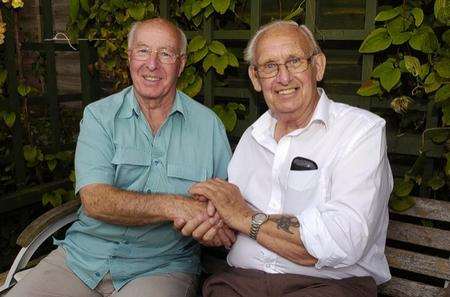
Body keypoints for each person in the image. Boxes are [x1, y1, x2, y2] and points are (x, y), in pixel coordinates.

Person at [6, 18, 234, 297]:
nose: (152, 64)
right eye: (142, 51)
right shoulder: (99, 117)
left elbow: (224, 206)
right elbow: (95, 200)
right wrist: (175, 206)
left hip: (160, 267)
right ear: (129, 57)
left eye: (165, 53)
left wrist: (211, 224)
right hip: (81, 260)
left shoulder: (208, 127)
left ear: (181, 63)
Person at [176, 20, 393, 297]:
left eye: (294, 61)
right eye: (269, 66)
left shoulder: (361, 132)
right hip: (241, 283)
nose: (283, 77)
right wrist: (213, 222)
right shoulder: (252, 137)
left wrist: (244, 217)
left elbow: (343, 240)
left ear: (318, 66)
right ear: (255, 78)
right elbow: (233, 222)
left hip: (326, 287)